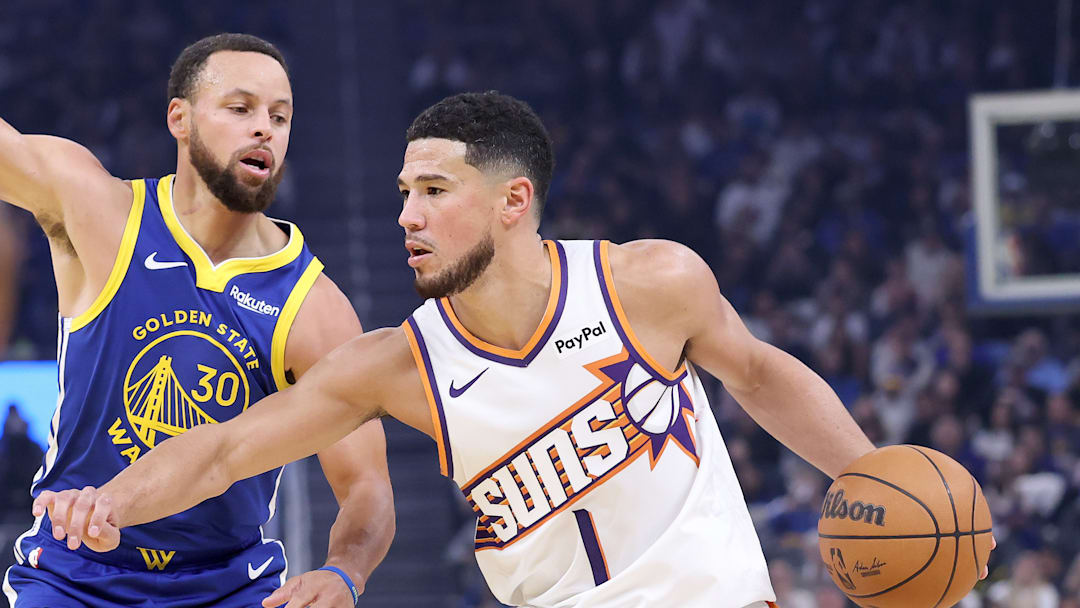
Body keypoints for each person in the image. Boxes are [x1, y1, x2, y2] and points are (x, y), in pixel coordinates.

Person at [34, 92, 983, 606]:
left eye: (434, 192)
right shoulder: (397, 364)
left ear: (511, 203)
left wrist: (874, 474)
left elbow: (761, 372)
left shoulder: (648, 284)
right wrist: (107, 501)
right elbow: (231, 447)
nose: (407, 215)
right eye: (404, 192)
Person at [0, 34, 394, 608]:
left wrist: (344, 573)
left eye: (279, 117)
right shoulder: (101, 211)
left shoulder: (314, 307)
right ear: (179, 119)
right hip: (73, 573)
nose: (265, 128)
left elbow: (367, 487)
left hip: (227, 585)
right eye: (241, 109)